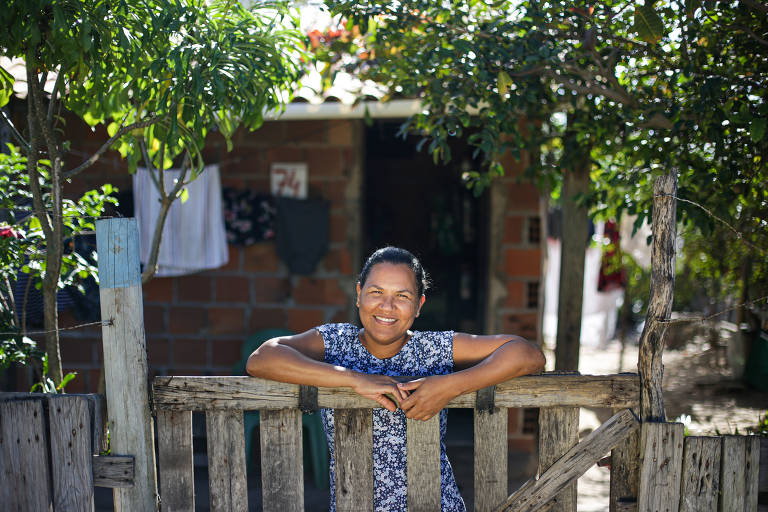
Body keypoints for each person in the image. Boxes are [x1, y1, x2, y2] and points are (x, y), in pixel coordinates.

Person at [246, 246, 546, 512]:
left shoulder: (433, 349)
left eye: (402, 296)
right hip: (354, 504)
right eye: (376, 292)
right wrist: (354, 379)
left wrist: (450, 385)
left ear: (419, 305)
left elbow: (528, 355)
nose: (387, 307)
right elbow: (262, 358)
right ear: (359, 294)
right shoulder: (336, 343)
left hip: (433, 504)